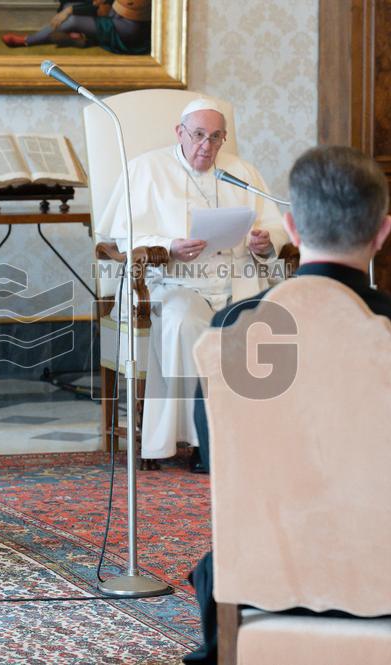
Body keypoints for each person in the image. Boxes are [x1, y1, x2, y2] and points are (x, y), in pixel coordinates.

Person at [185, 146, 391, 665]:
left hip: (260, 570)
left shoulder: (233, 330)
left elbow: (219, 463)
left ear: (292, 227)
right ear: (383, 232)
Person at [97, 97, 288, 471]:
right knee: (187, 322)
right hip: (167, 281)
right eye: (198, 135)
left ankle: (252, 437)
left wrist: (265, 241)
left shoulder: (242, 172)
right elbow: (121, 237)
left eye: (216, 138)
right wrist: (168, 246)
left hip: (235, 280)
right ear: (179, 132)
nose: (206, 146)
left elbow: (275, 225)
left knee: (264, 319)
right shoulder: (146, 170)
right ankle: (206, 442)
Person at [1, 0, 150, 54]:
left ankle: (28, 40)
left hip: (127, 30)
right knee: (70, 6)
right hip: (115, 15)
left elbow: (104, 8)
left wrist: (71, 11)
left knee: (73, 20)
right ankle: (82, 37)